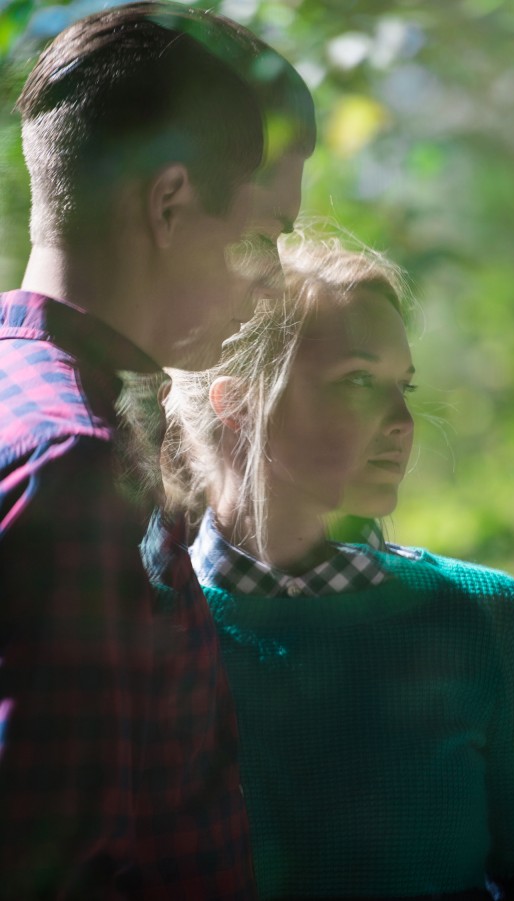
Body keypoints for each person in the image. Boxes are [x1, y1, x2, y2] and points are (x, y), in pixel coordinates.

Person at [164, 234, 514, 900]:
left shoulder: (488, 620)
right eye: (360, 381)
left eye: (405, 386)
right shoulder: (143, 631)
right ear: (238, 402)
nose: (402, 420)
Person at [0, 2, 315, 898]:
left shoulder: (31, 407)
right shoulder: (74, 462)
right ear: (171, 202)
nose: (272, 284)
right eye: (265, 237)